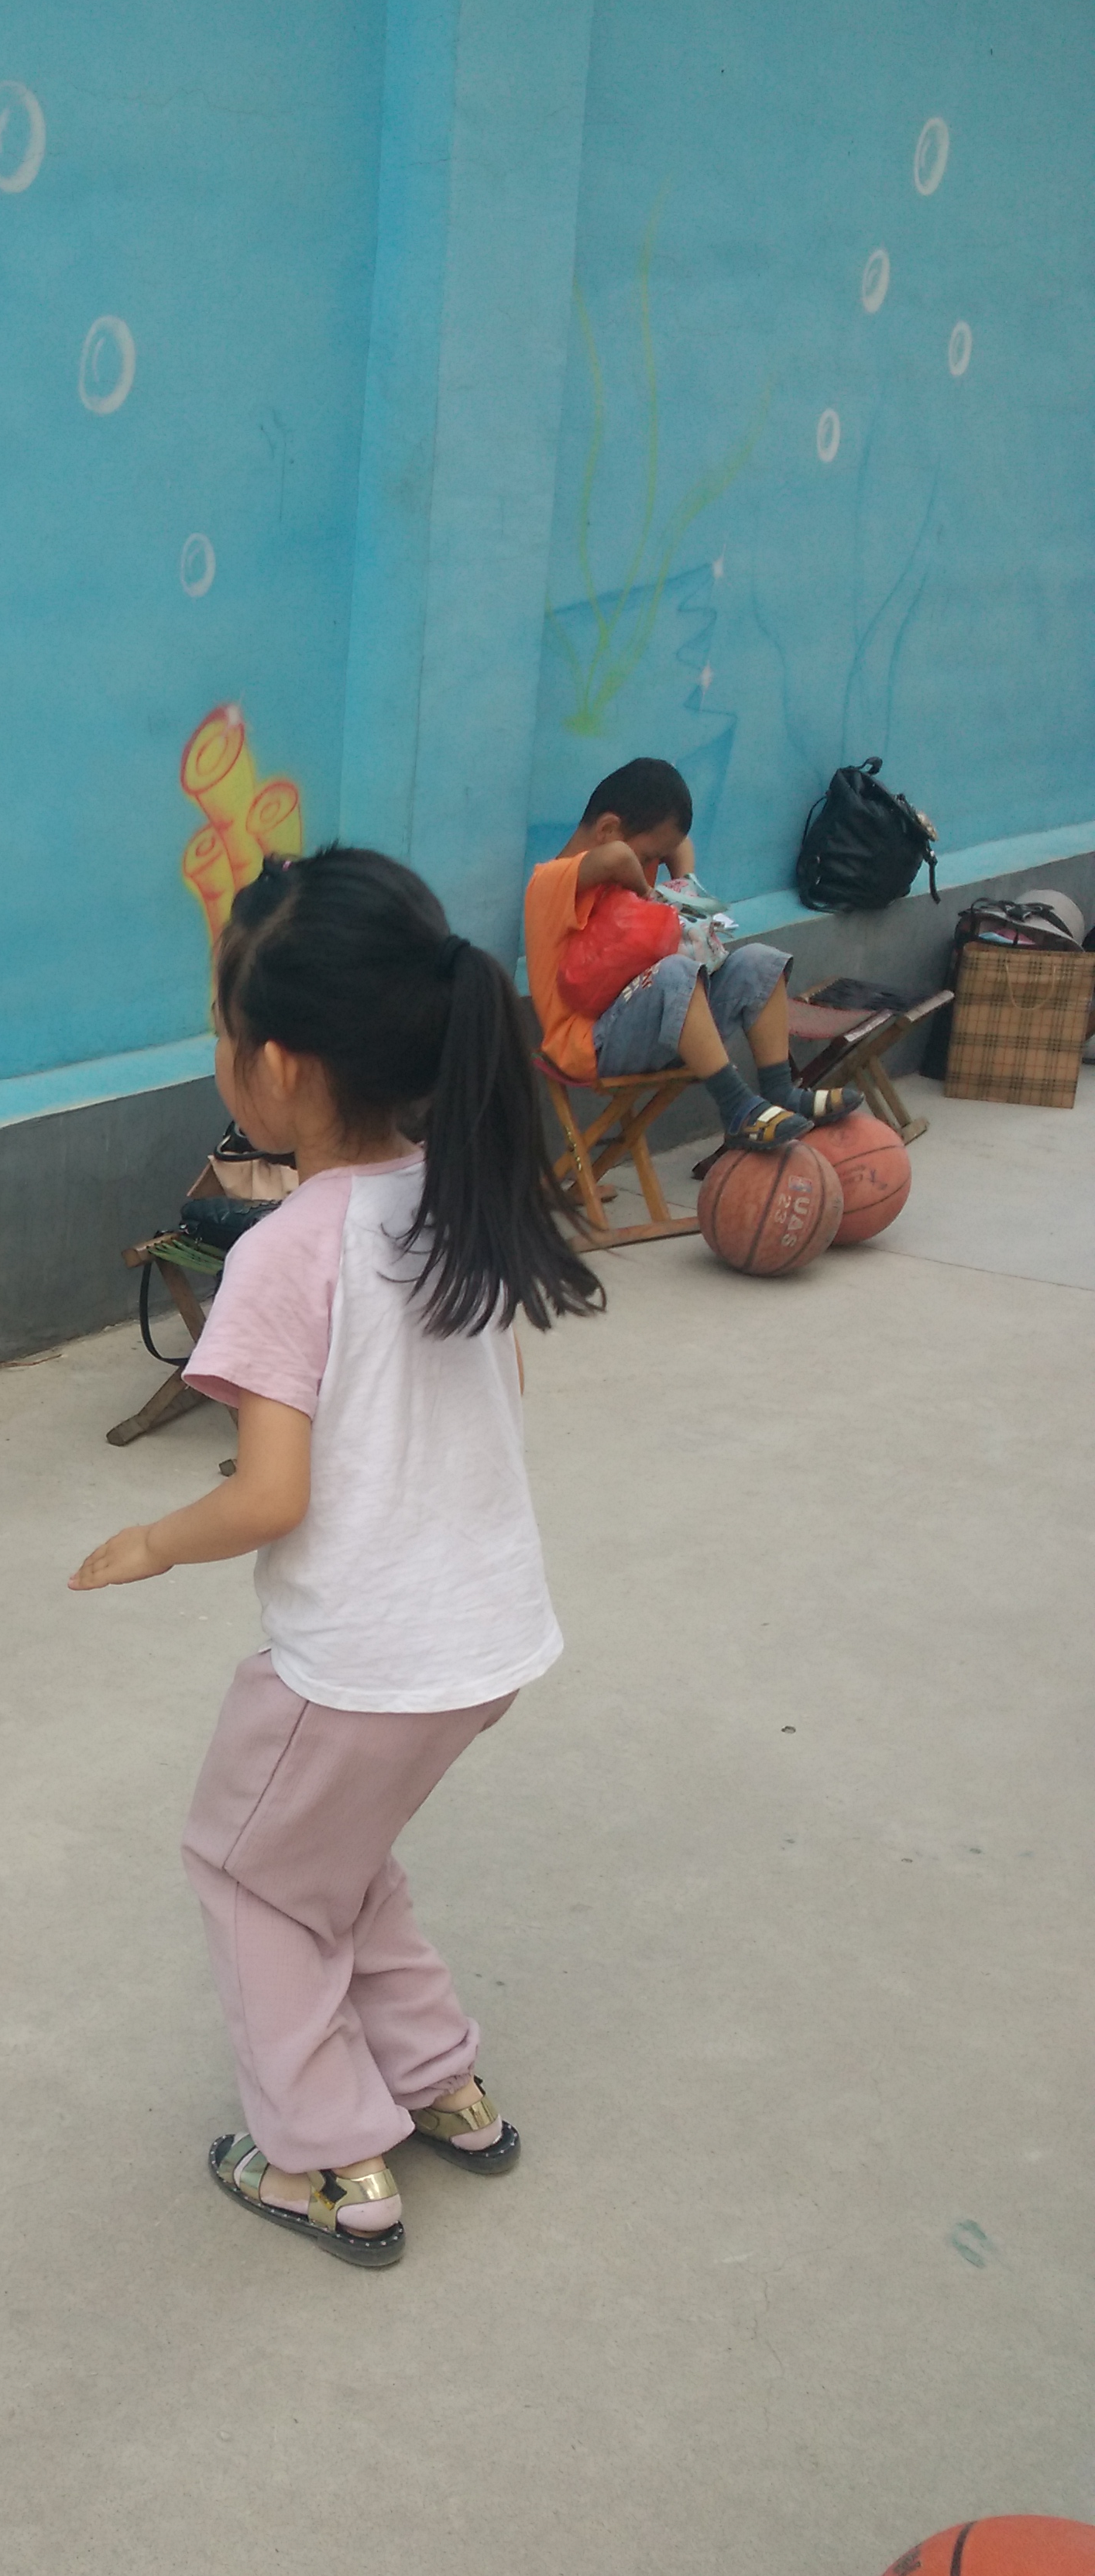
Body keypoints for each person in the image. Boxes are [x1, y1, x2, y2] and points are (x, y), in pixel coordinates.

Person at [70, 847, 600, 2268]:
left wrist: (151, 1541)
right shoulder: (459, 1198)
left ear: (282, 1067)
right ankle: (442, 2082)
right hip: (485, 1644)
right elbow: (496, 1399)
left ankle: (324, 2157)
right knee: (335, 1856)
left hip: (357, 1666)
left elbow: (268, 1496)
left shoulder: (288, 1251)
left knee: (248, 1869)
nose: (219, 1053)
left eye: (222, 1028)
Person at [523, 757, 861, 1149]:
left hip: (662, 1023)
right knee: (675, 973)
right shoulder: (552, 882)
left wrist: (683, 884)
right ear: (608, 830)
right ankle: (736, 1107)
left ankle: (781, 1090)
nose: (650, 865)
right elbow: (616, 858)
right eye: (648, 858)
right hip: (592, 1045)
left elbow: (677, 843)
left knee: (758, 961)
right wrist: (644, 889)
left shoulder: (632, 853)